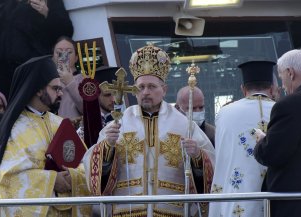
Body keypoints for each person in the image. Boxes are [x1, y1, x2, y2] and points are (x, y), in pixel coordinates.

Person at [83, 44, 215, 217]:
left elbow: (211, 167)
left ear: (164, 90)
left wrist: (197, 156)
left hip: (172, 211)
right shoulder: (118, 124)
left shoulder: (184, 125)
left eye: (152, 87)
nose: (145, 92)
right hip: (127, 211)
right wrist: (108, 147)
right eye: (141, 87)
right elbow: (95, 174)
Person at [0, 56, 91, 217]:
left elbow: (85, 163)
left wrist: (73, 177)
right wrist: (52, 180)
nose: (61, 93)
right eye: (55, 88)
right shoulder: (15, 128)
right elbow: (8, 180)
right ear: (38, 89)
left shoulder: (60, 123)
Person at [209, 60, 276, 217]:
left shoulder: (225, 113)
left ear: (243, 89)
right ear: (272, 88)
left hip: (237, 202)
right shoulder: (282, 109)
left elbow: (222, 160)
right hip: (277, 200)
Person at [254, 49, 301, 217]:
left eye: (280, 76)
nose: (281, 86)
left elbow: (272, 154)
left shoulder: (289, 105)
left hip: (296, 204)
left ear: (290, 73)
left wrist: (262, 141)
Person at [0, 0, 73, 98]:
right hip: (4, 68)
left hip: (33, 66)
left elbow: (66, 31)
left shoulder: (50, 2)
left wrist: (47, 13)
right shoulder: (7, 3)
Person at [53, 36, 84, 119]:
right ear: (53, 57)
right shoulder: (47, 81)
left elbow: (89, 109)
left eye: (69, 52)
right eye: (59, 52)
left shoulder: (85, 80)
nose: (63, 55)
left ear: (76, 58)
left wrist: (70, 82)